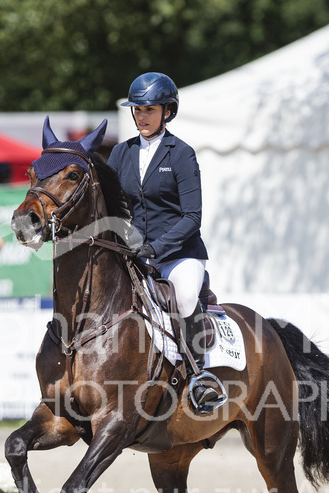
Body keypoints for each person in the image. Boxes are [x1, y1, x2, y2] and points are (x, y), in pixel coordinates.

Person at [106, 71, 225, 414]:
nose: (141, 116)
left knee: (185, 298)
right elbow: (116, 208)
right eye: (137, 110)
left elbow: (192, 217)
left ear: (167, 112)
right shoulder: (121, 153)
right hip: (134, 254)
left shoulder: (181, 153)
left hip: (178, 254)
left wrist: (155, 249)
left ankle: (199, 379)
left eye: (149, 110)